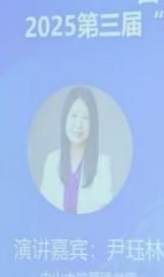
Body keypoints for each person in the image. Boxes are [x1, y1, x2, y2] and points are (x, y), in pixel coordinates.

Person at [39, 86, 115, 214]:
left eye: (85, 118)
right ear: (65, 119)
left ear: (93, 124)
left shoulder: (103, 165)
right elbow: (42, 210)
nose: (78, 124)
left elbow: (107, 215)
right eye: (74, 116)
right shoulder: (52, 161)